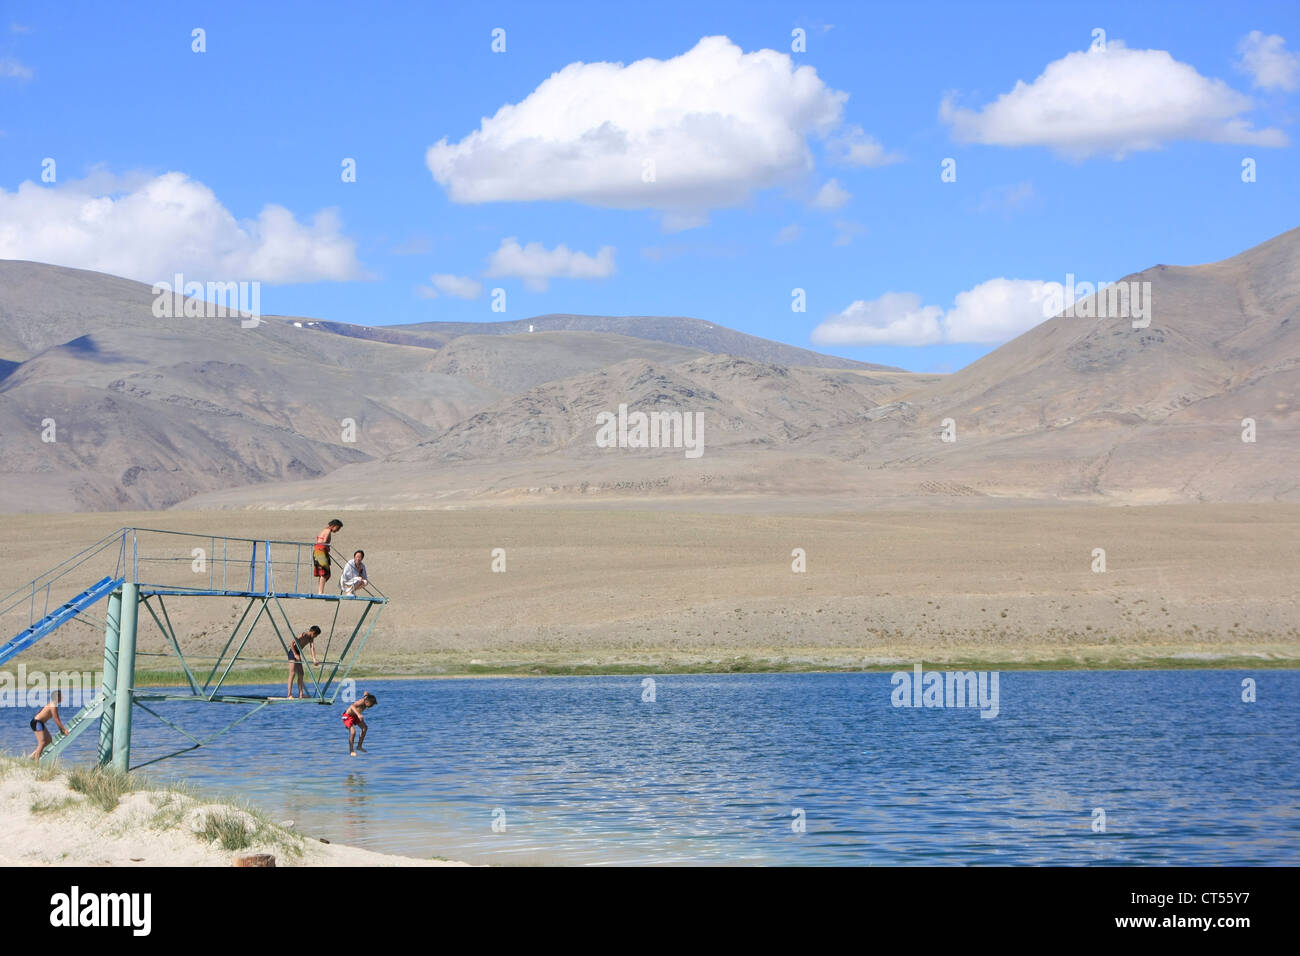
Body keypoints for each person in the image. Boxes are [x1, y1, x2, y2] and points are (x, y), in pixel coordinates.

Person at [28, 690, 67, 760]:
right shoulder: (53, 705)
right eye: (61, 696)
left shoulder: (54, 705)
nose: (62, 697)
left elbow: (57, 719)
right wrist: (64, 729)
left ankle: (32, 756)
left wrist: (61, 729)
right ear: (57, 697)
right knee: (42, 742)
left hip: (39, 723)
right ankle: (36, 763)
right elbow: (56, 719)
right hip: (37, 722)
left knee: (49, 740)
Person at [286, 626, 321, 699]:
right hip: (292, 652)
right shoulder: (303, 635)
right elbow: (292, 643)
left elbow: (312, 648)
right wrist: (295, 654)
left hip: (298, 653)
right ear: (313, 632)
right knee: (292, 673)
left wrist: (314, 659)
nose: (315, 637)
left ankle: (301, 694)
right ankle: (289, 694)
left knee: (301, 673)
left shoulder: (311, 638)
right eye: (316, 635)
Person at [341, 692, 377, 756]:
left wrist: (367, 694)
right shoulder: (361, 702)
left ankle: (359, 746)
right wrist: (358, 714)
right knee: (353, 732)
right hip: (347, 716)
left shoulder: (366, 699)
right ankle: (351, 751)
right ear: (367, 702)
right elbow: (352, 706)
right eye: (371, 705)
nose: (371, 706)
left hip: (355, 716)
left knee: (365, 728)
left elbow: (365, 692)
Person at [313, 519, 343, 594]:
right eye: (338, 528)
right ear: (334, 526)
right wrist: (328, 547)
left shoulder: (325, 530)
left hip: (319, 552)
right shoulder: (328, 531)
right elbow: (324, 542)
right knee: (324, 572)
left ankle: (320, 591)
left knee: (325, 573)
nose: (338, 530)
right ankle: (320, 592)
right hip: (320, 552)